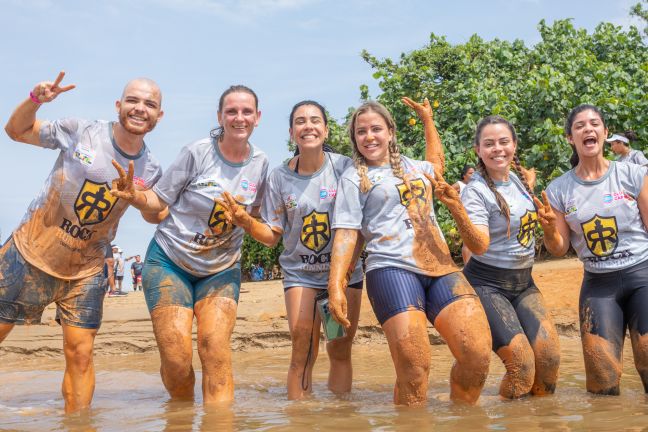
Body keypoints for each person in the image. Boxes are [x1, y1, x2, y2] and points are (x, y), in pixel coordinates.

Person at [1, 72, 164, 413]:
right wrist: (35, 99)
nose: (140, 108)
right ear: (119, 105)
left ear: (158, 116)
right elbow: (15, 131)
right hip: (29, 254)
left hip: (86, 270)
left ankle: (77, 423)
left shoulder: (150, 167)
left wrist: (135, 196)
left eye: (149, 104)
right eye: (133, 100)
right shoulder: (82, 131)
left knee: (81, 354)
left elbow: (156, 213)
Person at [327, 99, 492, 406]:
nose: (369, 137)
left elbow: (437, 163)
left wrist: (428, 121)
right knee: (414, 368)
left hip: (441, 267)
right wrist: (335, 285)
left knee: (477, 355)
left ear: (391, 132)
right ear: (355, 139)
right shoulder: (353, 178)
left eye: (376, 129)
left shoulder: (416, 166)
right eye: (361, 132)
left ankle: (464, 421)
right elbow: (347, 231)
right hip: (390, 269)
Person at [110, 85, 268, 404]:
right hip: (170, 262)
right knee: (177, 361)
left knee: (215, 350)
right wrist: (137, 197)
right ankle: (179, 415)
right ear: (220, 116)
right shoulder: (197, 152)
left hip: (220, 270)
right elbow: (159, 199)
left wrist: (246, 219)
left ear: (258, 117)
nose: (239, 118)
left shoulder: (261, 163)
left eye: (246, 111)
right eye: (232, 111)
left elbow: (260, 221)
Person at [219, 100, 367, 400]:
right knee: (303, 350)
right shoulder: (278, 178)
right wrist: (245, 221)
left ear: (326, 130)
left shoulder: (345, 168)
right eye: (300, 121)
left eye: (315, 120)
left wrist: (345, 271)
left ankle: (341, 417)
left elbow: (360, 225)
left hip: (346, 273)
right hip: (301, 274)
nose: (308, 126)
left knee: (339, 349)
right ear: (291, 133)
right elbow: (272, 236)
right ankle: (299, 419)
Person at [539, 104, 648, 395]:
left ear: (605, 132)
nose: (588, 129)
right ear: (570, 139)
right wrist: (549, 228)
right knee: (602, 377)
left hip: (642, 276)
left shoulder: (633, 174)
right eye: (580, 126)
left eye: (595, 124)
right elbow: (559, 248)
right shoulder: (558, 190)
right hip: (599, 285)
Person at [460, 115, 560, 399]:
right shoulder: (476, 191)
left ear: (514, 145)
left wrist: (549, 226)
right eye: (489, 144)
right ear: (478, 150)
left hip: (523, 281)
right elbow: (478, 245)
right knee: (521, 365)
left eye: (504, 142)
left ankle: (540, 421)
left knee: (549, 357)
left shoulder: (517, 180)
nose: (497, 149)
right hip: (487, 284)